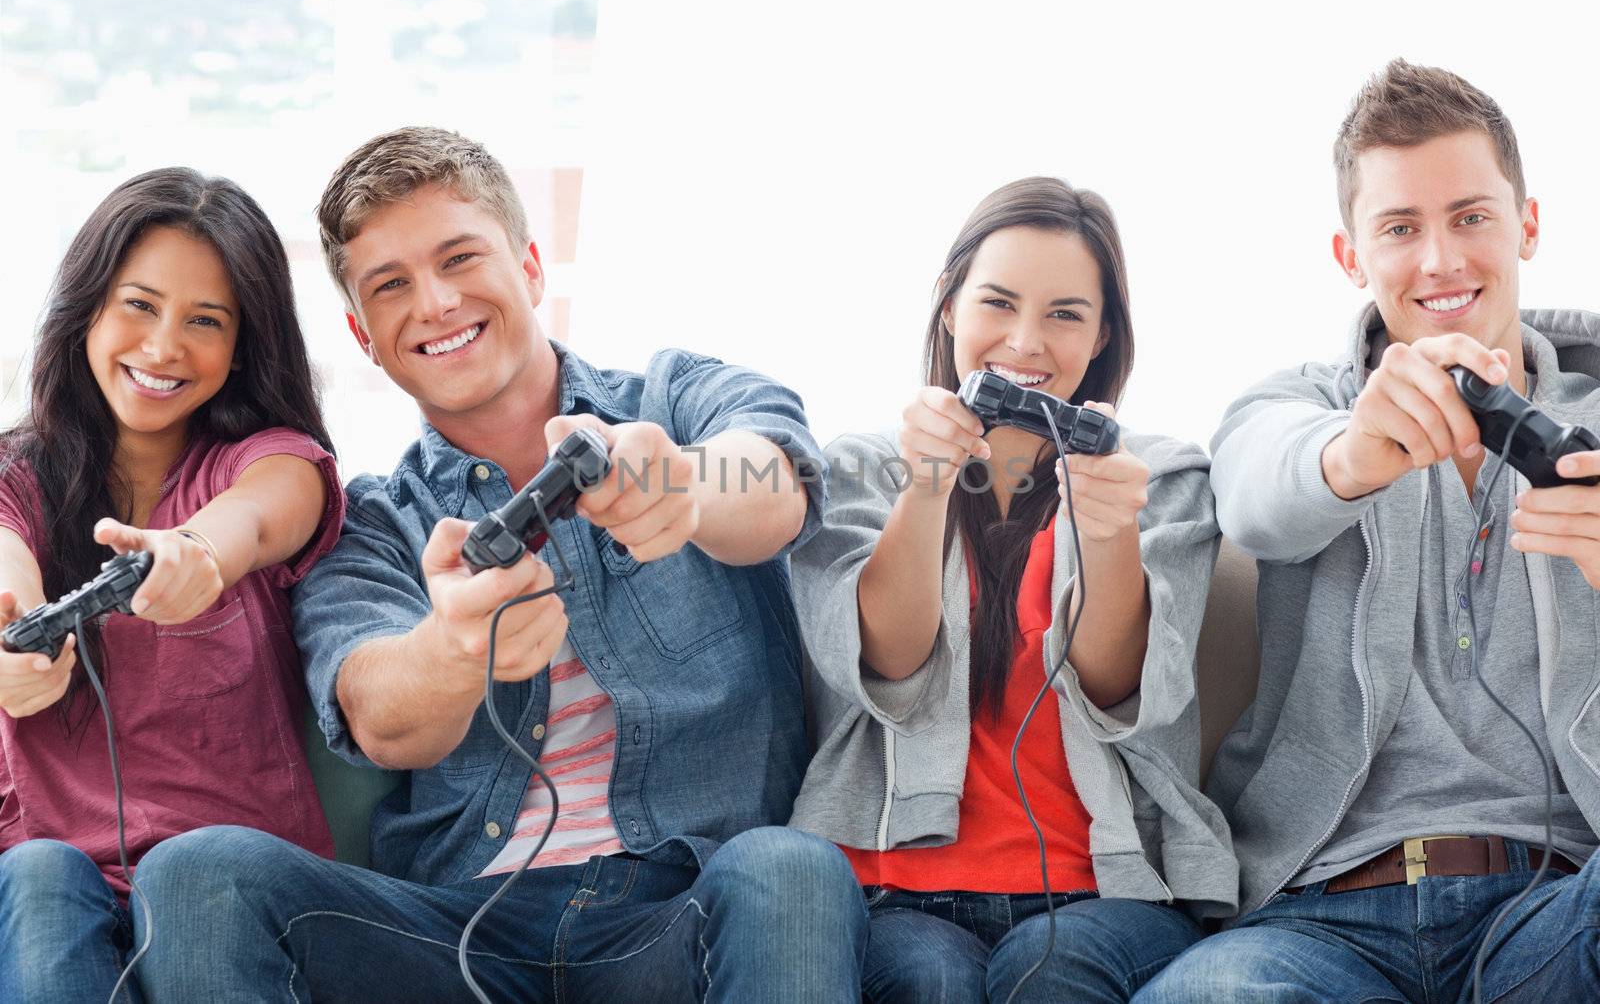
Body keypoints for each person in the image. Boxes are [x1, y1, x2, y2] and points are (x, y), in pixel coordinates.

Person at [132, 127, 867, 1002]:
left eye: (459, 258)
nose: (435, 302)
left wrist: (686, 487)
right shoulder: (368, 519)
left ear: (528, 266)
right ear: (364, 334)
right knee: (196, 874)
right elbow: (376, 712)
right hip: (458, 933)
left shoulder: (679, 397)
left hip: (686, 910)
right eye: (391, 285)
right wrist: (451, 646)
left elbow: (776, 477)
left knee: (791, 870)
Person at [1138, 60, 1600, 1002]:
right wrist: (1353, 454)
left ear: (1528, 226)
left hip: (1560, 905)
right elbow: (1256, 494)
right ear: (1352, 257)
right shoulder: (1297, 407)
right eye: (1400, 228)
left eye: (1471, 215)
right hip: (1321, 917)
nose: (1441, 260)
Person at [789, 177, 1236, 1003]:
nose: (1027, 342)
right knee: (930, 979)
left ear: (1103, 336)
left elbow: (1119, 688)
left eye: (1066, 314)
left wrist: (1106, 534)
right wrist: (923, 487)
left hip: (1103, 891)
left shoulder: (1161, 477)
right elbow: (886, 663)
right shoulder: (858, 466)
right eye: (998, 303)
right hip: (896, 885)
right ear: (951, 308)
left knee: (1049, 968)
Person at [0, 168, 344, 1002]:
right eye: (139, 305)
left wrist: (196, 553)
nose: (162, 347)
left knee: (196, 876)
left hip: (231, 900)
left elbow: (260, 517)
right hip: (44, 886)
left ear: (241, 347)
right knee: (42, 875)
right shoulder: (15, 478)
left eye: (205, 321)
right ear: (88, 306)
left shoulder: (275, 460)